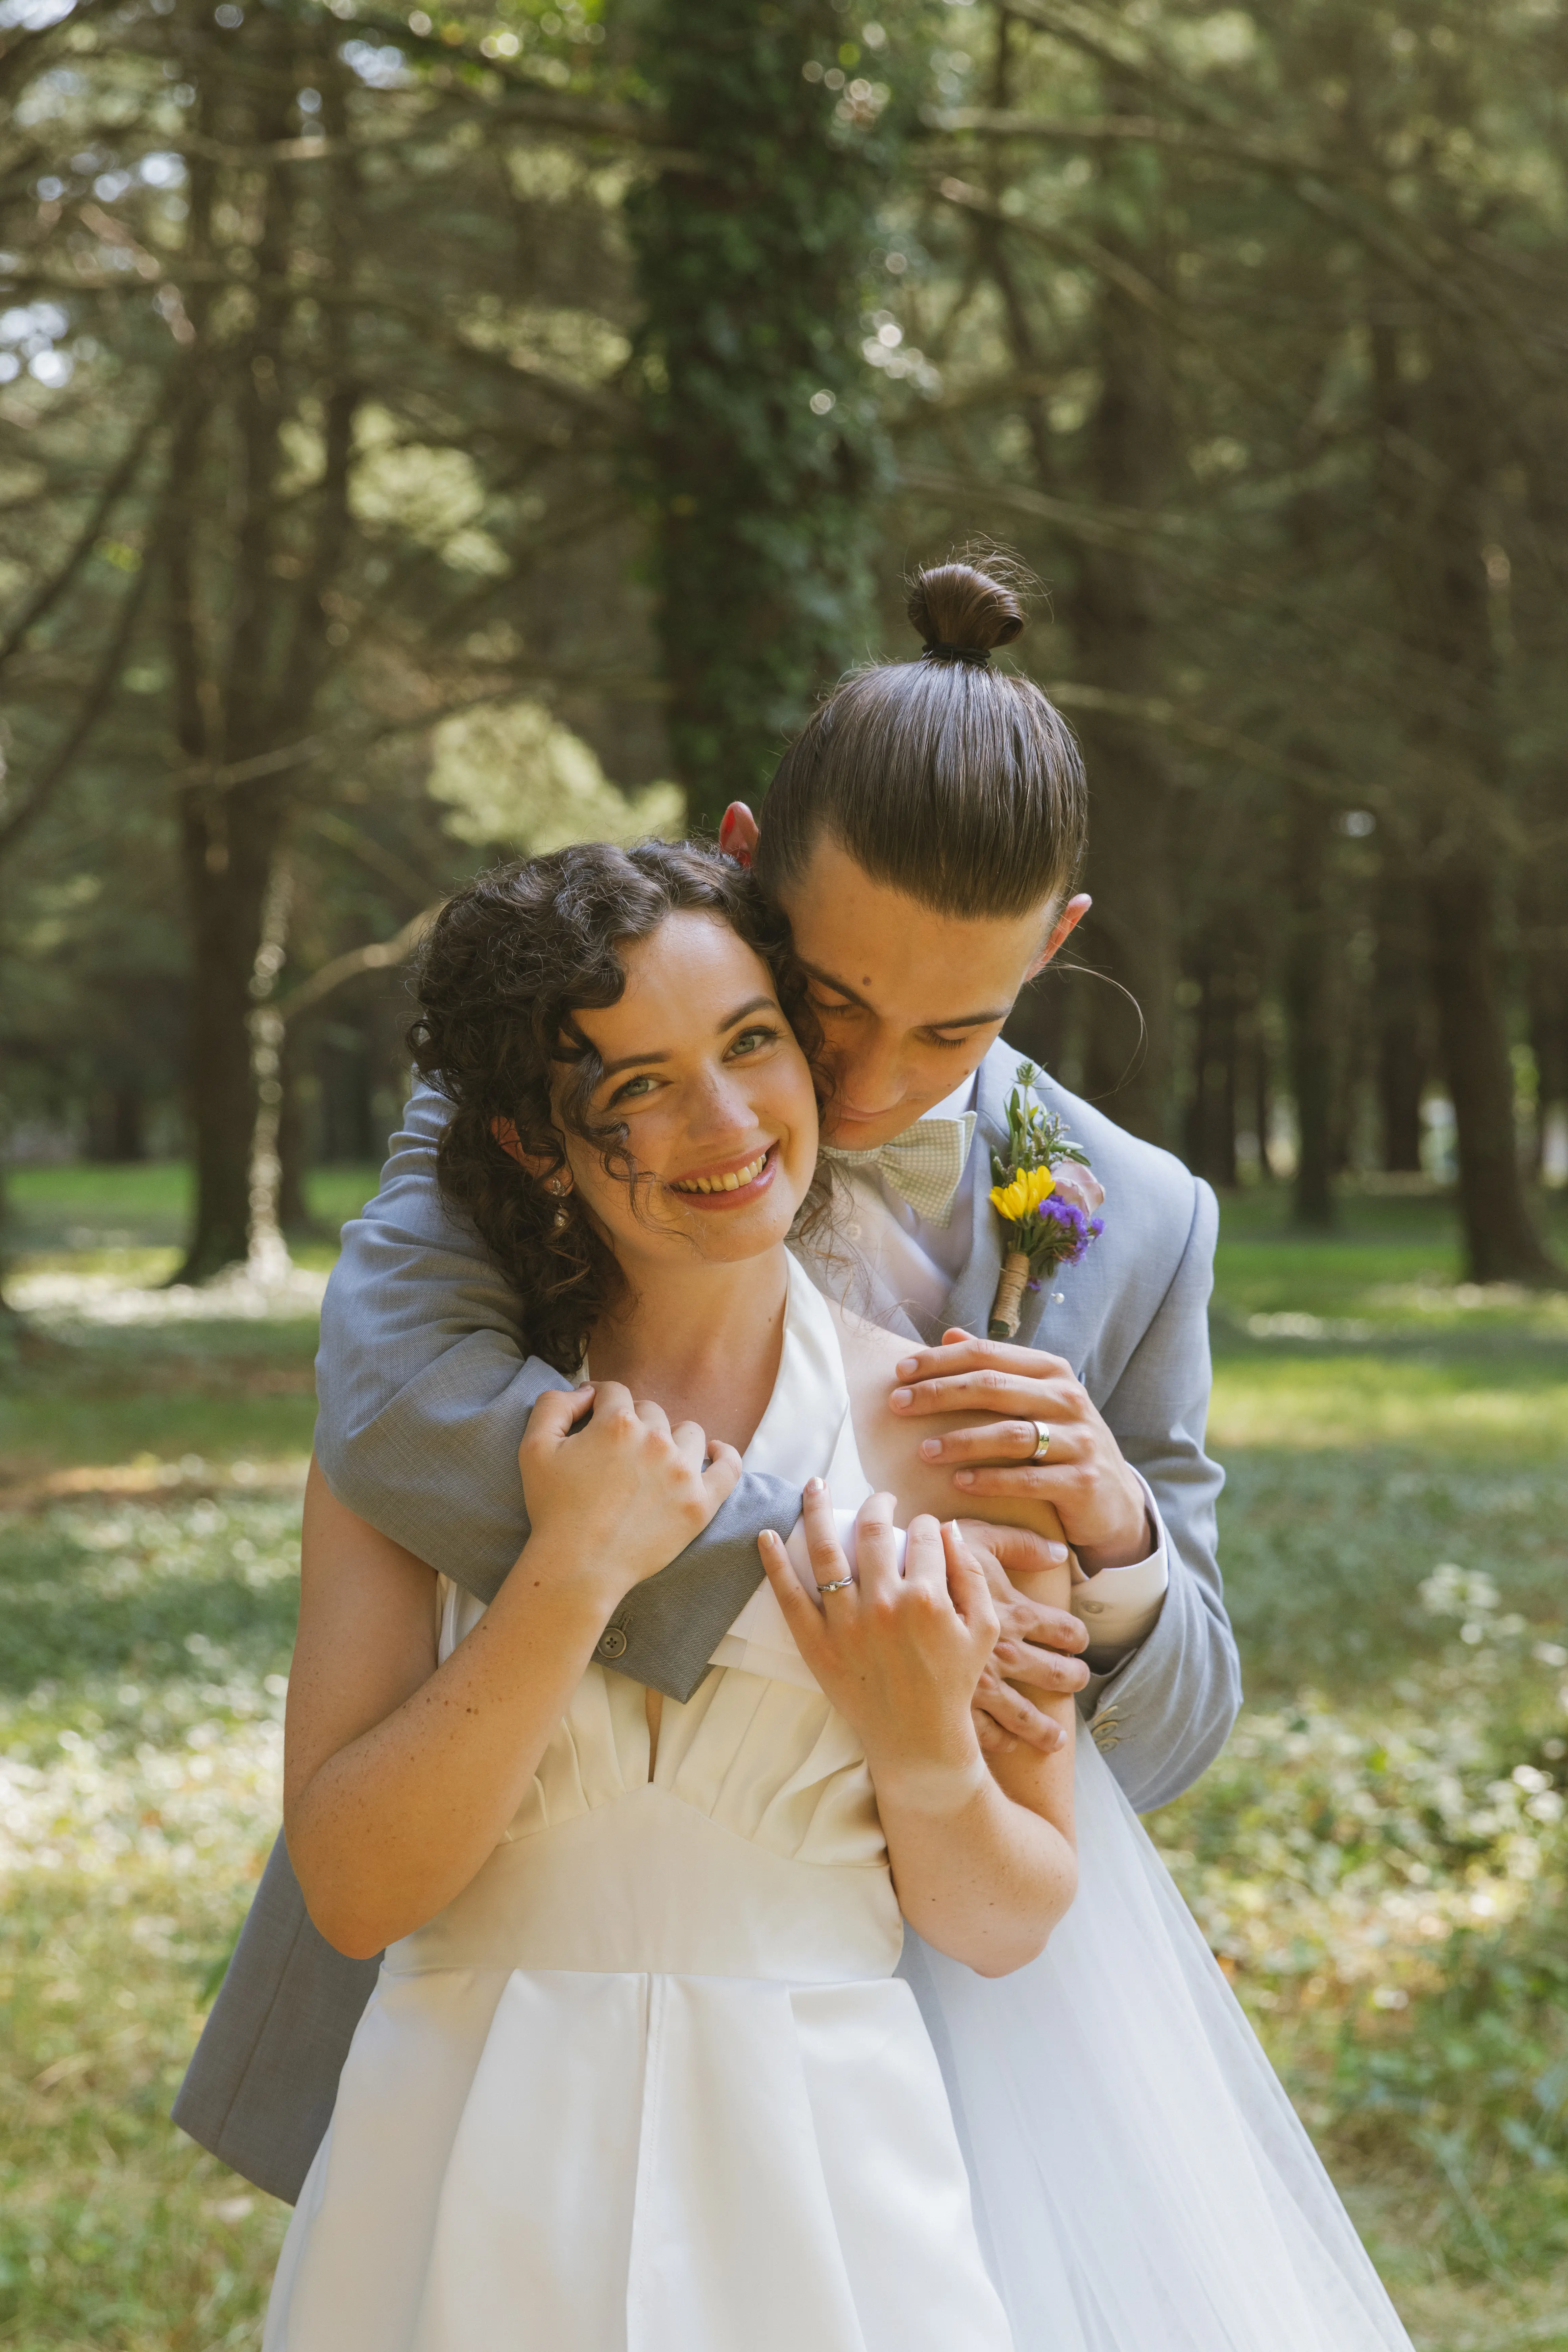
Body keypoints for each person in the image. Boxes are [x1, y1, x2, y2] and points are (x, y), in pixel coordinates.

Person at [176, 555, 1239, 2200]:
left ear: (1057, 944)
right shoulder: (544, 1097)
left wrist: (1109, 1557)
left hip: (910, 2016)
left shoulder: (1143, 1217)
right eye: (822, 1003)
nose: (867, 1084)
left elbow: (1167, 1736)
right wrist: (830, 1570)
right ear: (743, 866)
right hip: (492, 1971)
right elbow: (393, 1409)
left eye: (952, 1033)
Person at [263, 840, 1413, 2351]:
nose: (726, 1122)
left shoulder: (957, 1444)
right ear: (534, 1144)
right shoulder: (416, 1441)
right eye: (636, 1087)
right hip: (463, 2154)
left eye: (751, 1045)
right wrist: (566, 1575)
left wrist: (925, 1753)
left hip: (824, 2178)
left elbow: (1009, 1920)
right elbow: (351, 1893)